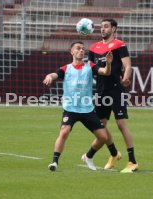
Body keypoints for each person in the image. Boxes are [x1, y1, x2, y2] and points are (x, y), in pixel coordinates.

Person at [43, 41, 114, 171]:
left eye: (83, 49)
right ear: (72, 52)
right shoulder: (66, 68)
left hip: (87, 109)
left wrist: (108, 63)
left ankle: (88, 156)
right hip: (70, 108)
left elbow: (105, 72)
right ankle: (54, 162)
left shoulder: (90, 66)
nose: (81, 50)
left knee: (103, 137)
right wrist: (49, 76)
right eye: (78, 48)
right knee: (64, 132)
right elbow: (55, 74)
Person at [88, 19, 138, 173]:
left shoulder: (119, 45)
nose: (102, 29)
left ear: (113, 29)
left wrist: (124, 80)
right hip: (101, 90)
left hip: (117, 89)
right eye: (101, 27)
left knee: (121, 124)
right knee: (100, 128)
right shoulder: (94, 48)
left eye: (106, 26)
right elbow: (90, 69)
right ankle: (114, 154)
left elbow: (128, 66)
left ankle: (132, 162)